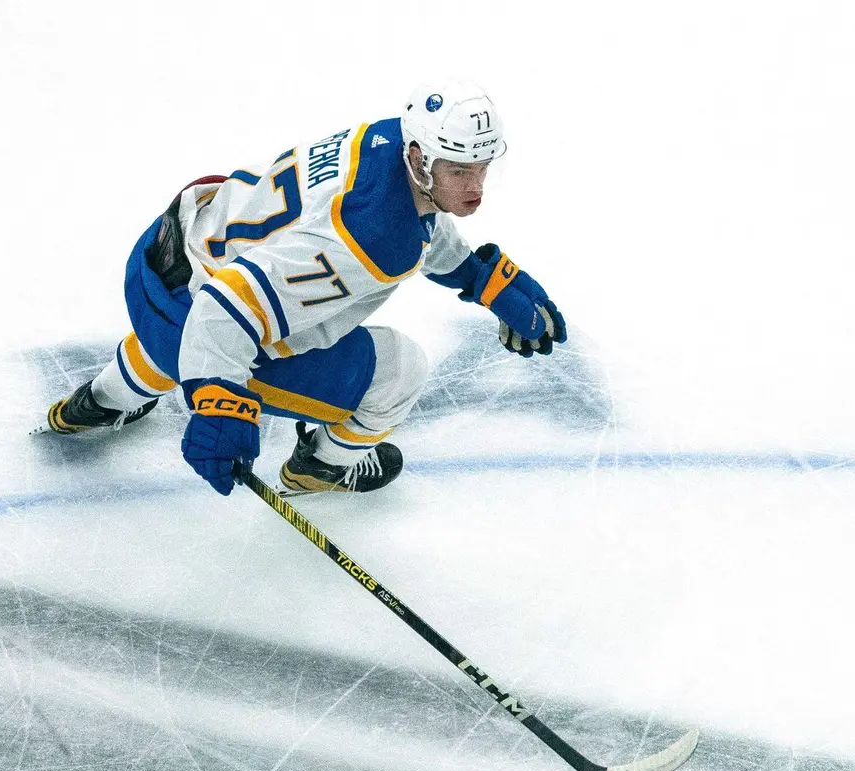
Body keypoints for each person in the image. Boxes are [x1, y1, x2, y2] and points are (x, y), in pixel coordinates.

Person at [41, 81, 566, 495]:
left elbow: (418, 217)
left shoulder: (384, 140)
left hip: (167, 255)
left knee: (209, 313)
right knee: (401, 371)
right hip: (197, 318)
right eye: (459, 171)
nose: (476, 191)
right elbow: (223, 313)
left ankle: (102, 400)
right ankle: (320, 467)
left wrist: (481, 277)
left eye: (482, 168)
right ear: (419, 158)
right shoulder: (375, 237)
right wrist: (220, 404)